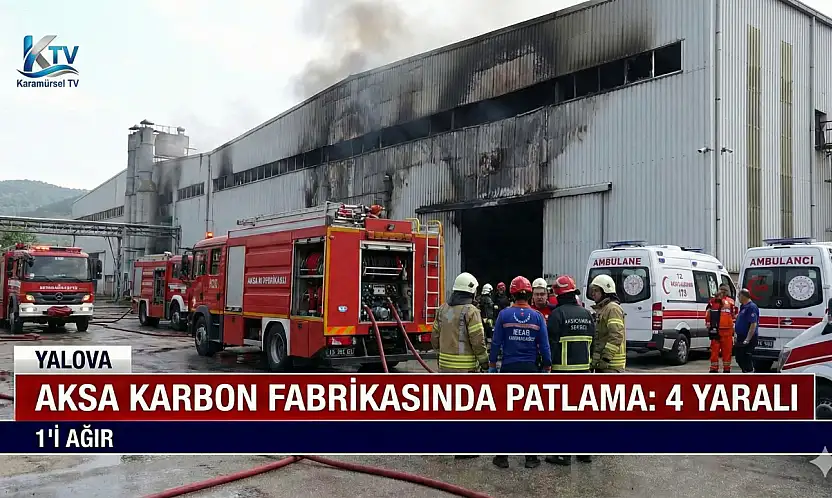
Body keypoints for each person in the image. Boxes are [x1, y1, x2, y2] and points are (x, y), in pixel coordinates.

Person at [489, 276, 552, 469]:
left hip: (508, 368)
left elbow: (496, 343)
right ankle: (531, 458)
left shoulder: (504, 315)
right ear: (530, 294)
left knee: (507, 414)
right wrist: (547, 366)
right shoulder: (537, 317)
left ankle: (502, 457)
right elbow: (545, 345)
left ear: (512, 294)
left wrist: (492, 365)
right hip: (530, 369)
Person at [430, 272, 488, 461]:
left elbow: (434, 338)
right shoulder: (471, 311)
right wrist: (484, 361)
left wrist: (441, 353)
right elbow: (478, 340)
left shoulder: (442, 309)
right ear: (472, 290)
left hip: (445, 367)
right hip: (465, 369)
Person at [545, 275, 595, 466]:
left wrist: (546, 366)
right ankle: (584, 453)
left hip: (562, 371)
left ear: (558, 295)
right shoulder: (587, 314)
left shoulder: (557, 315)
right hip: (584, 371)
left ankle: (562, 455)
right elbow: (593, 342)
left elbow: (550, 345)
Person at [587, 274, 626, 373]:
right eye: (592, 291)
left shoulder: (612, 308)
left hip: (612, 365)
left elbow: (616, 336)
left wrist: (606, 358)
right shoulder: (603, 309)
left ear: (605, 291)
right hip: (603, 364)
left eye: (596, 290)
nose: (593, 294)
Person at [705, 284, 736, 373]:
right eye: (721, 289)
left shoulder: (731, 302)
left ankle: (727, 369)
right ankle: (714, 369)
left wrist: (733, 327)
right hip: (716, 330)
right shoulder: (713, 301)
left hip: (727, 331)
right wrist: (709, 326)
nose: (723, 291)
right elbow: (708, 313)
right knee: (714, 351)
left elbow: (733, 315)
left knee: (727, 351)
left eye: (725, 290)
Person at [733, 288, 759, 373]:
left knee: (746, 357)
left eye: (738, 296)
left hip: (748, 337)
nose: (738, 298)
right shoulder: (743, 307)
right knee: (739, 357)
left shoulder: (751, 307)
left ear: (743, 296)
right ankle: (745, 372)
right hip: (740, 336)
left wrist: (747, 339)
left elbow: (753, 324)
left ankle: (750, 373)